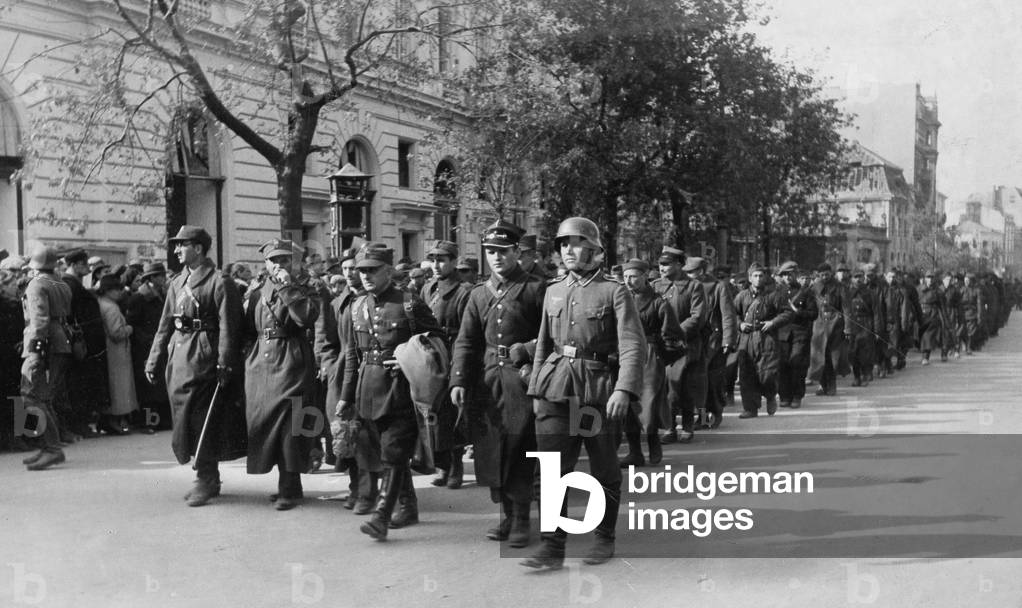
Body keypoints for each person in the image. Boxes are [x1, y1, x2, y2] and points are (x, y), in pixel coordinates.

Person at [522, 217, 645, 570]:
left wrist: (624, 389)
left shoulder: (614, 291)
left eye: (576, 243)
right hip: (555, 389)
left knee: (604, 469)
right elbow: (544, 344)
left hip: (598, 391)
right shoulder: (554, 289)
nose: (568, 250)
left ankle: (604, 537)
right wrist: (536, 390)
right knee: (550, 471)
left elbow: (633, 346)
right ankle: (552, 546)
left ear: (594, 249)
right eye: (563, 244)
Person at [450, 221, 546, 546]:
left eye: (503, 251)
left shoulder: (536, 288)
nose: (496, 257)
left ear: (517, 252)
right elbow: (466, 341)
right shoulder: (478, 293)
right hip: (488, 380)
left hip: (523, 380)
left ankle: (521, 519)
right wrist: (459, 380)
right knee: (492, 448)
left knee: (520, 447)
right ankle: (506, 514)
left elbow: (553, 336)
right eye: (490, 252)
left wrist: (528, 351)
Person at [337, 244, 442, 541]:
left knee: (394, 452)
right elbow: (352, 356)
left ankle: (382, 515)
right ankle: (408, 506)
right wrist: (346, 396)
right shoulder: (357, 306)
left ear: (388, 270)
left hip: (400, 388)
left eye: (373, 269)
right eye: (362, 270)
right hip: (367, 390)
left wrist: (408, 355)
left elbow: (436, 339)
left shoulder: (409, 303)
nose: (366, 276)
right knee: (388, 453)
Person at [145, 225, 247, 507]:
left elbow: (230, 326)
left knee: (204, 418)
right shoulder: (177, 282)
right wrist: (154, 358)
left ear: (199, 248)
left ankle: (206, 478)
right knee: (184, 418)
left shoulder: (219, 281)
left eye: (182, 245)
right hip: (179, 357)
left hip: (205, 357)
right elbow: (165, 324)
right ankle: (206, 475)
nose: (176, 250)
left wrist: (225, 363)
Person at [243, 239, 321, 510]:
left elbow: (306, 318)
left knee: (291, 425)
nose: (278, 265)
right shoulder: (257, 288)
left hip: (292, 358)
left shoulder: (306, 286)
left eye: (284, 260)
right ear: (265, 263)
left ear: (293, 262)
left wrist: (288, 286)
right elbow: (246, 325)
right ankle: (287, 484)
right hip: (262, 360)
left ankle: (289, 486)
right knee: (267, 424)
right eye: (273, 260)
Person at [421, 240, 473, 491]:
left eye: (442, 259)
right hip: (432, 355)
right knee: (435, 415)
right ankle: (442, 465)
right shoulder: (428, 288)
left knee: (453, 415)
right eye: (433, 259)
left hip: (453, 354)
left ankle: (456, 468)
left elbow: (468, 331)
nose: (436, 265)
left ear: (454, 261)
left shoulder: (464, 291)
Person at [620, 258, 680, 465]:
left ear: (645, 277)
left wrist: (661, 358)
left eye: (634, 276)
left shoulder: (658, 302)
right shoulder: (620, 299)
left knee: (649, 402)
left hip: (649, 356)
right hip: (624, 355)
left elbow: (673, 335)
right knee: (627, 403)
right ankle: (635, 452)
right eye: (626, 277)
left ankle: (654, 443)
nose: (629, 281)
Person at [20, 245, 74, 470]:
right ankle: (48, 446)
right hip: (61, 341)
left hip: (44, 342)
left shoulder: (36, 284)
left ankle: (51, 449)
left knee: (31, 395)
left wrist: (36, 348)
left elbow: (40, 319)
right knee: (46, 397)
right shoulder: (61, 283)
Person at [651, 246, 705, 443]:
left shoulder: (694, 287)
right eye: (660, 264)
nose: (662, 268)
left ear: (679, 265)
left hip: (685, 346)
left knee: (683, 387)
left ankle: (688, 425)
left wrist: (675, 332)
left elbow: (697, 316)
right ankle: (670, 427)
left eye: (667, 264)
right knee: (665, 387)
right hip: (662, 347)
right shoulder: (656, 286)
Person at [733, 264, 792, 418]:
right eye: (755, 276)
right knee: (747, 373)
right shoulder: (742, 296)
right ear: (749, 278)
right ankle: (750, 408)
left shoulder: (774, 295)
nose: (758, 279)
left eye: (761, 275)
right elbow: (732, 314)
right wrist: (740, 324)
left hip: (768, 338)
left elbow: (787, 313)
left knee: (768, 374)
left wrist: (773, 323)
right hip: (747, 338)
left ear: (765, 277)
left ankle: (771, 395)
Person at [685, 257, 737, 429]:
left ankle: (715, 412)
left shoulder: (718, 287)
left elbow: (727, 315)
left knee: (713, 381)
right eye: (687, 272)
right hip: (692, 341)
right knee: (696, 382)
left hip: (713, 342)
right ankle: (700, 417)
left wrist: (728, 341)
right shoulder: (685, 287)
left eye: (692, 272)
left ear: (701, 271)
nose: (690, 275)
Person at [126, 262, 171, 433]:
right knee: (147, 389)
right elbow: (132, 324)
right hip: (145, 347)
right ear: (151, 278)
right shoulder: (139, 297)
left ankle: (161, 421)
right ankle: (147, 423)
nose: (164, 279)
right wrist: (146, 339)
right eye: (160, 276)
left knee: (159, 385)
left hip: (158, 344)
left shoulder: (162, 294)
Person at [774, 261, 817, 409]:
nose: (787, 277)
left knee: (797, 363)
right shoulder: (778, 292)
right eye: (784, 275)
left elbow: (814, 314)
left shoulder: (806, 292)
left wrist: (800, 313)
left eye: (790, 274)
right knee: (782, 364)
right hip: (782, 334)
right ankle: (785, 396)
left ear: (796, 275)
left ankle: (797, 396)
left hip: (800, 333)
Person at [808, 263, 851, 396]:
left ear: (831, 273)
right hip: (819, 325)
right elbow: (810, 306)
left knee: (833, 358)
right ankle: (822, 385)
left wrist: (847, 328)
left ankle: (832, 386)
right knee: (819, 357)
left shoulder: (840, 287)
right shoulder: (814, 288)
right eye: (822, 275)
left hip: (836, 325)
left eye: (827, 274)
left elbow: (846, 309)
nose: (825, 277)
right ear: (818, 275)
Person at [845, 270, 881, 386]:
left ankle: (866, 375)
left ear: (864, 278)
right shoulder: (848, 293)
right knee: (853, 352)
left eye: (860, 277)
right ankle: (856, 377)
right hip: (853, 324)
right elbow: (844, 310)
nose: (858, 279)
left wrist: (876, 330)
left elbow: (876, 312)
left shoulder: (870, 293)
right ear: (852, 279)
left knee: (865, 353)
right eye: (855, 277)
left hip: (867, 324)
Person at [917, 271, 945, 364]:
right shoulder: (919, 289)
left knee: (928, 336)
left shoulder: (937, 291)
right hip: (920, 315)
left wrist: (943, 318)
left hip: (932, 315)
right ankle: (923, 354)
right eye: (928, 277)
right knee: (920, 335)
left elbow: (942, 305)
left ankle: (926, 357)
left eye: (932, 278)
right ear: (925, 278)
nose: (930, 280)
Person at [960, 273, 984, 355]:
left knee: (970, 332)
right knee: (961, 330)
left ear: (971, 281)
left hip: (972, 314)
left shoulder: (977, 290)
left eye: (968, 280)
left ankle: (968, 347)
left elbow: (979, 304)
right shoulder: (961, 289)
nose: (966, 282)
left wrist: (979, 315)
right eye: (965, 280)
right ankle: (964, 344)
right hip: (962, 313)